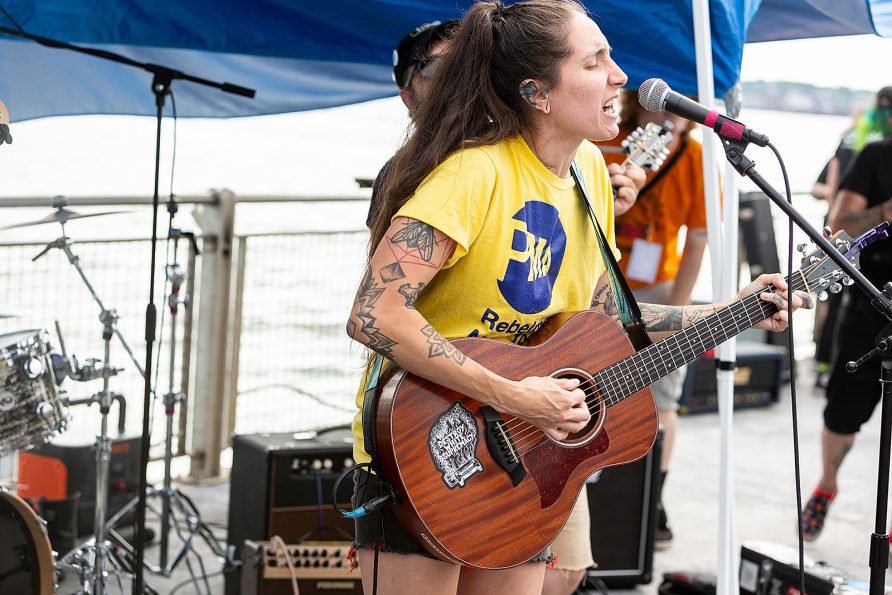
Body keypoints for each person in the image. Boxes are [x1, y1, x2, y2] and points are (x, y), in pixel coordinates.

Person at [345, 2, 804, 594]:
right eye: (596, 62)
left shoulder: (588, 170)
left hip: (523, 450)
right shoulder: (471, 175)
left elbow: (606, 316)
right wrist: (517, 394)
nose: (620, 77)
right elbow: (373, 313)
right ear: (537, 92)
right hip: (423, 442)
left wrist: (729, 311)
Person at [366, 19, 645, 231]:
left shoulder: (534, 152)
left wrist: (599, 211)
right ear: (408, 98)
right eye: (438, 67)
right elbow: (388, 292)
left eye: (465, 64)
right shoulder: (400, 173)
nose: (458, 77)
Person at [596, 89, 709, 550]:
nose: (667, 113)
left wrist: (678, 315)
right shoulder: (607, 140)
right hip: (599, 282)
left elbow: (698, 237)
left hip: (657, 287)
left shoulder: (695, 156)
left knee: (663, 400)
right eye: (659, 104)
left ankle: (651, 499)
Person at [801, 129, 892, 542]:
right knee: (843, 414)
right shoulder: (877, 155)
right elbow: (837, 224)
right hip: (869, 312)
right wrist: (884, 213)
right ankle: (827, 483)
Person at [811, 87, 892, 388]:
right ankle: (821, 364)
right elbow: (837, 212)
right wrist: (884, 210)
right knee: (843, 413)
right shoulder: (871, 151)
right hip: (867, 301)